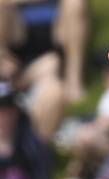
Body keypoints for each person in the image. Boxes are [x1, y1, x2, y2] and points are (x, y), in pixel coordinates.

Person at [0, 0, 89, 139]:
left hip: (54, 47)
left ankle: (73, 81)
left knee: (75, 3)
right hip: (19, 50)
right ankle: (6, 78)